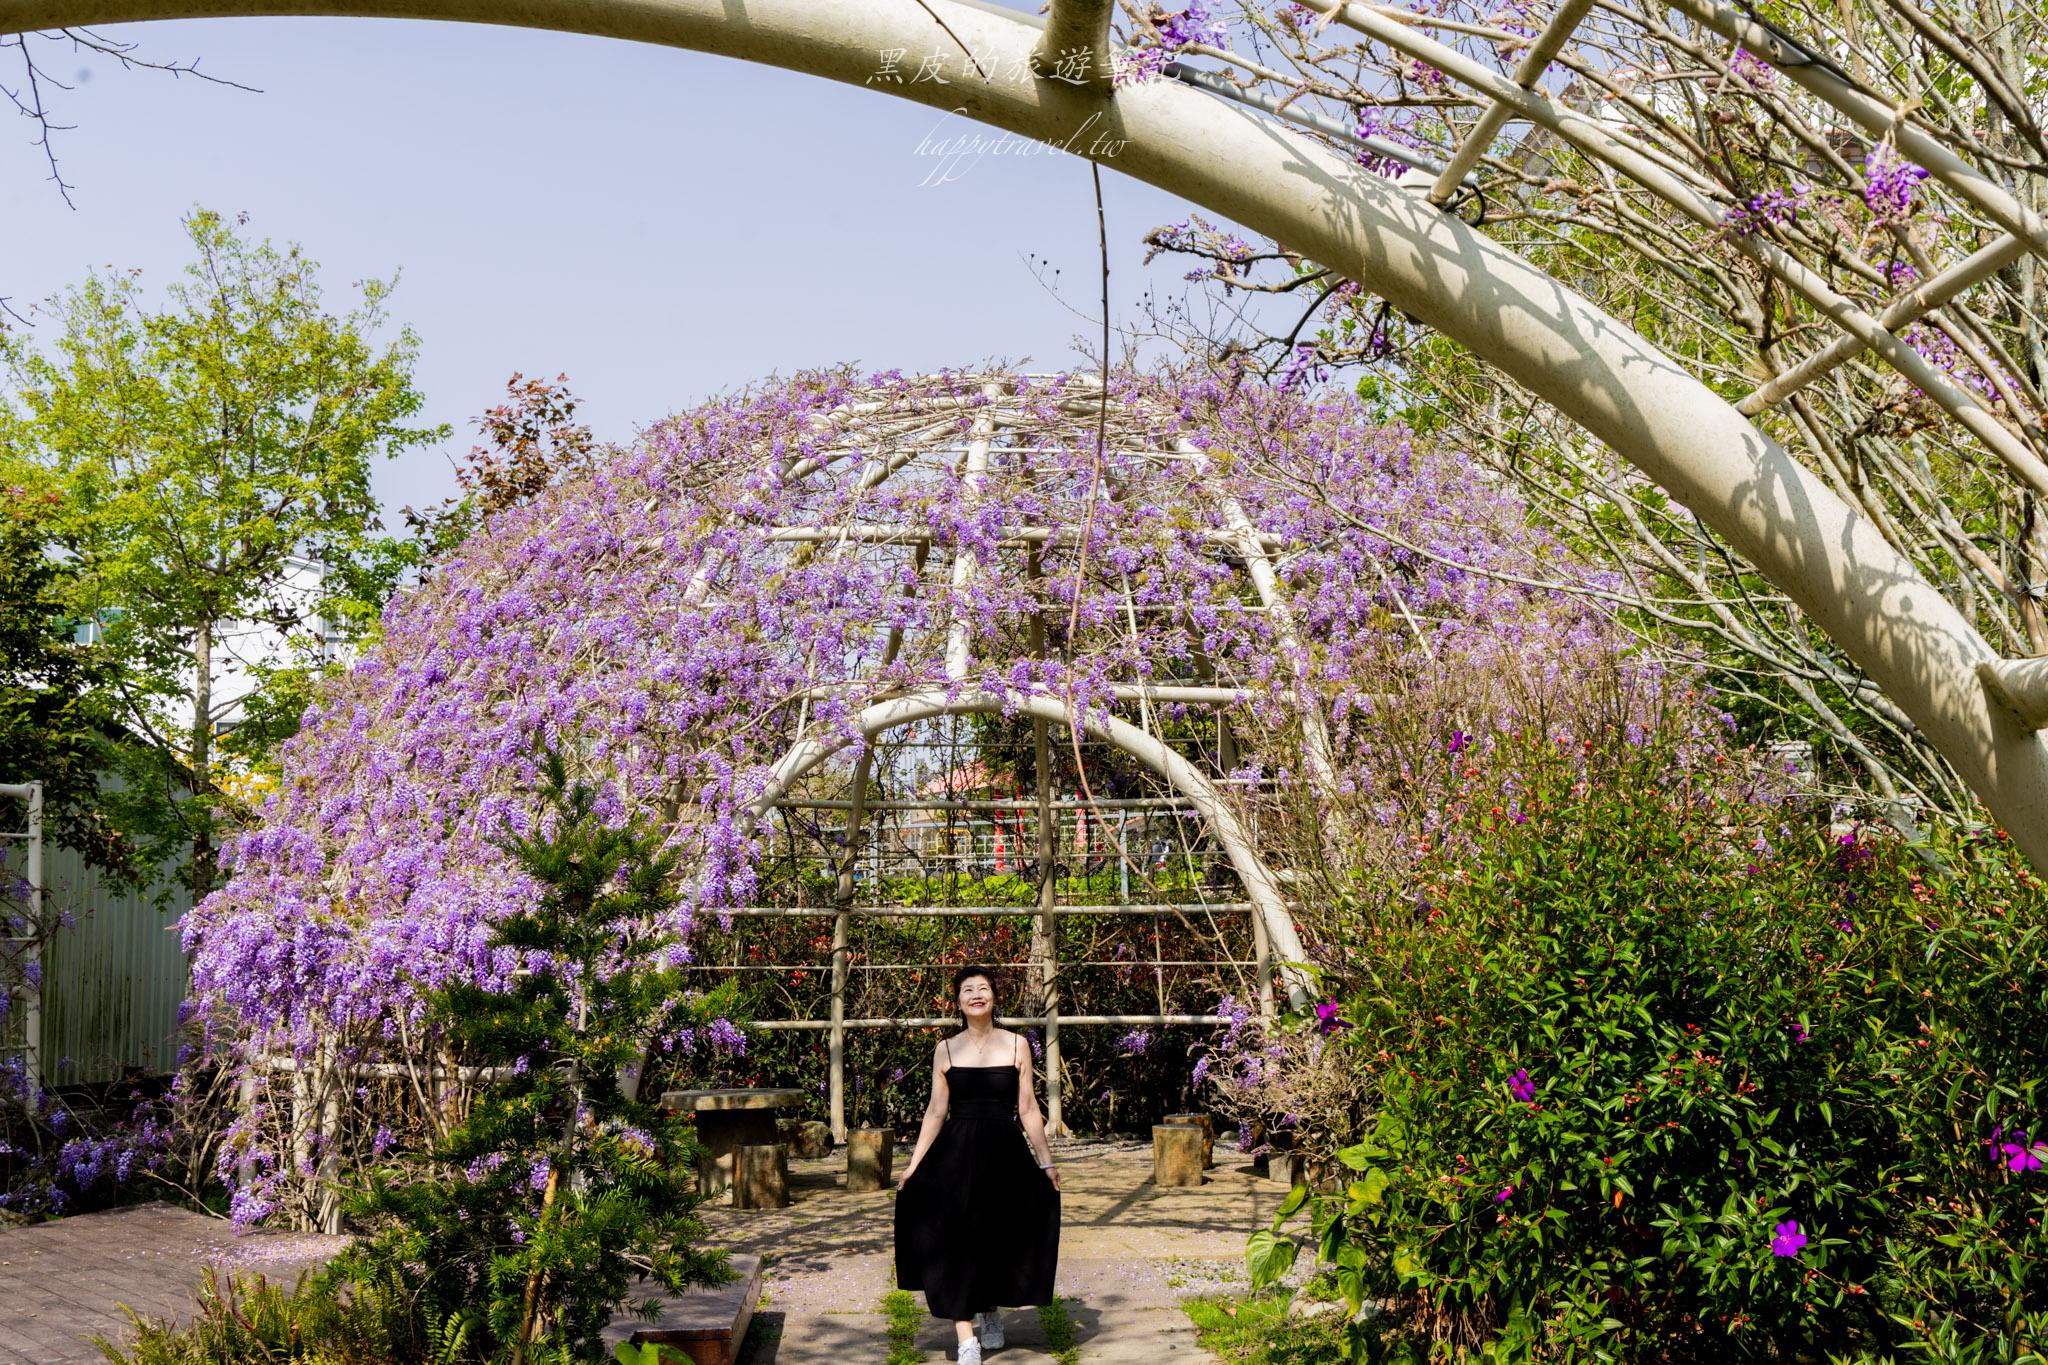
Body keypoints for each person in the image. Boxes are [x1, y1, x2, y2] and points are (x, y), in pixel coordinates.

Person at [893, 964, 1062, 1362]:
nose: (976, 995)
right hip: (956, 1154)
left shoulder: (1017, 1045)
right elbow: (936, 1111)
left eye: (983, 988)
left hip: (1004, 1153)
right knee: (954, 1237)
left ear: (994, 998)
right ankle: (965, 1337)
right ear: (958, 1002)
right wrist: (914, 1164)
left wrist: (1046, 1163)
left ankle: (989, 1311)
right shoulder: (946, 1049)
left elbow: (1027, 1108)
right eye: (967, 990)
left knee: (997, 1234)